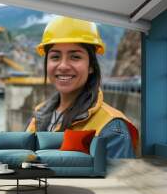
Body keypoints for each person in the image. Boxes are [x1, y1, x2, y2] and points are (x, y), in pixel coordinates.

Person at [26, 16, 138, 158]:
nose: (63, 66)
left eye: (75, 57)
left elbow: (115, 180)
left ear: (91, 66)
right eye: (55, 57)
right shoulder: (38, 116)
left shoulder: (111, 128)